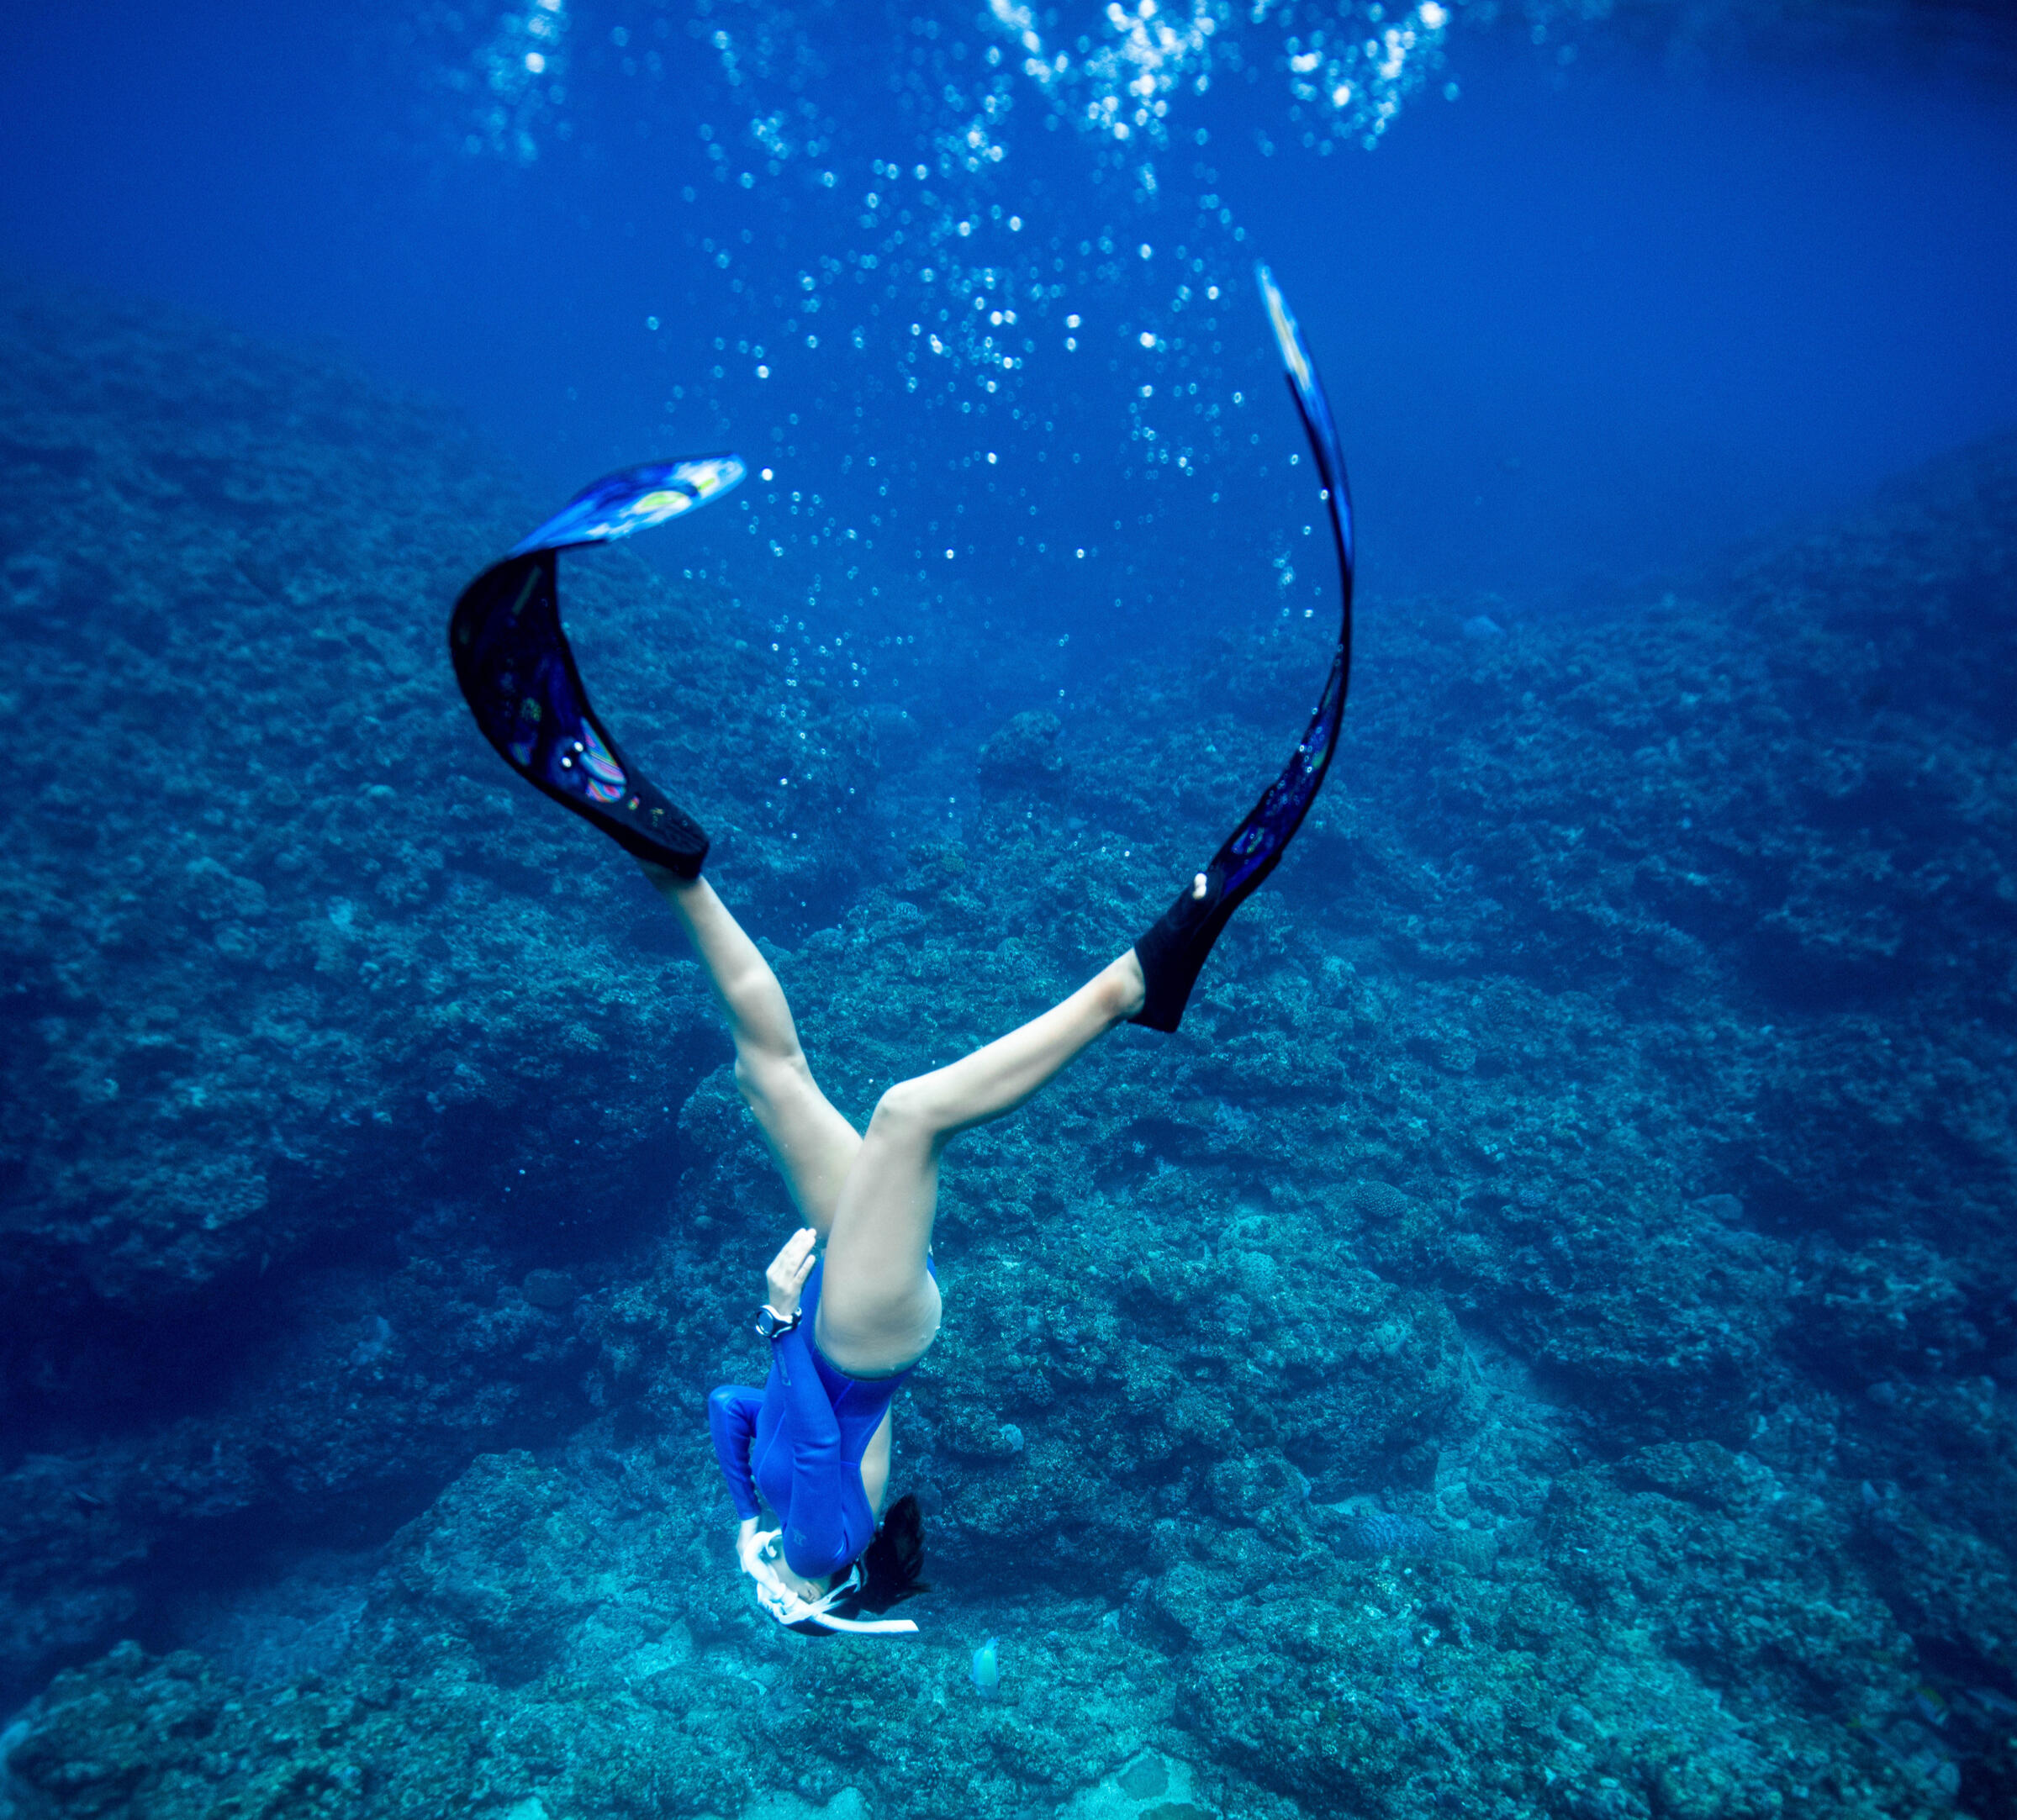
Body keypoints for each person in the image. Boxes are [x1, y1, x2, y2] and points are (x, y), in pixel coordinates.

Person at [446, 265, 1353, 1634]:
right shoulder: (817, 1532)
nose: (776, 1575)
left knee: (767, 1071)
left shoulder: (787, 1516)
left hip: (829, 1331)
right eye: (795, 1585)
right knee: (908, 1111)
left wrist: (770, 1325)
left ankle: (666, 864)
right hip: (865, 1341)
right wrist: (792, 1569)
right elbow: (784, 1456)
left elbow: (732, 1407)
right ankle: (1132, 981)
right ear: (831, 1579)